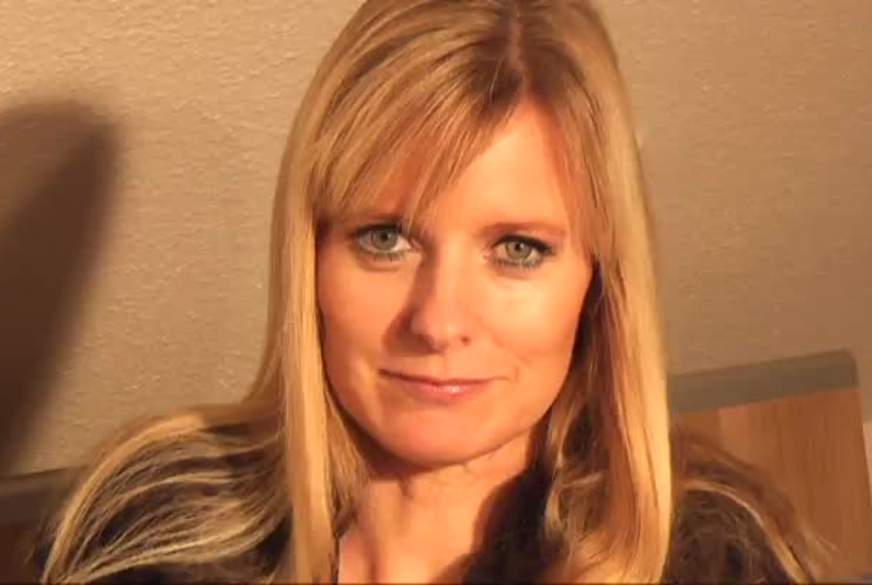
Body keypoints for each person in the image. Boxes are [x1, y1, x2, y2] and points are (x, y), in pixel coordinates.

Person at [30, 0, 831, 582]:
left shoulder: (711, 558)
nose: (439, 321)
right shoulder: (145, 529)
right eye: (385, 238)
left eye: (518, 250)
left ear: (599, 280)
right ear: (311, 258)